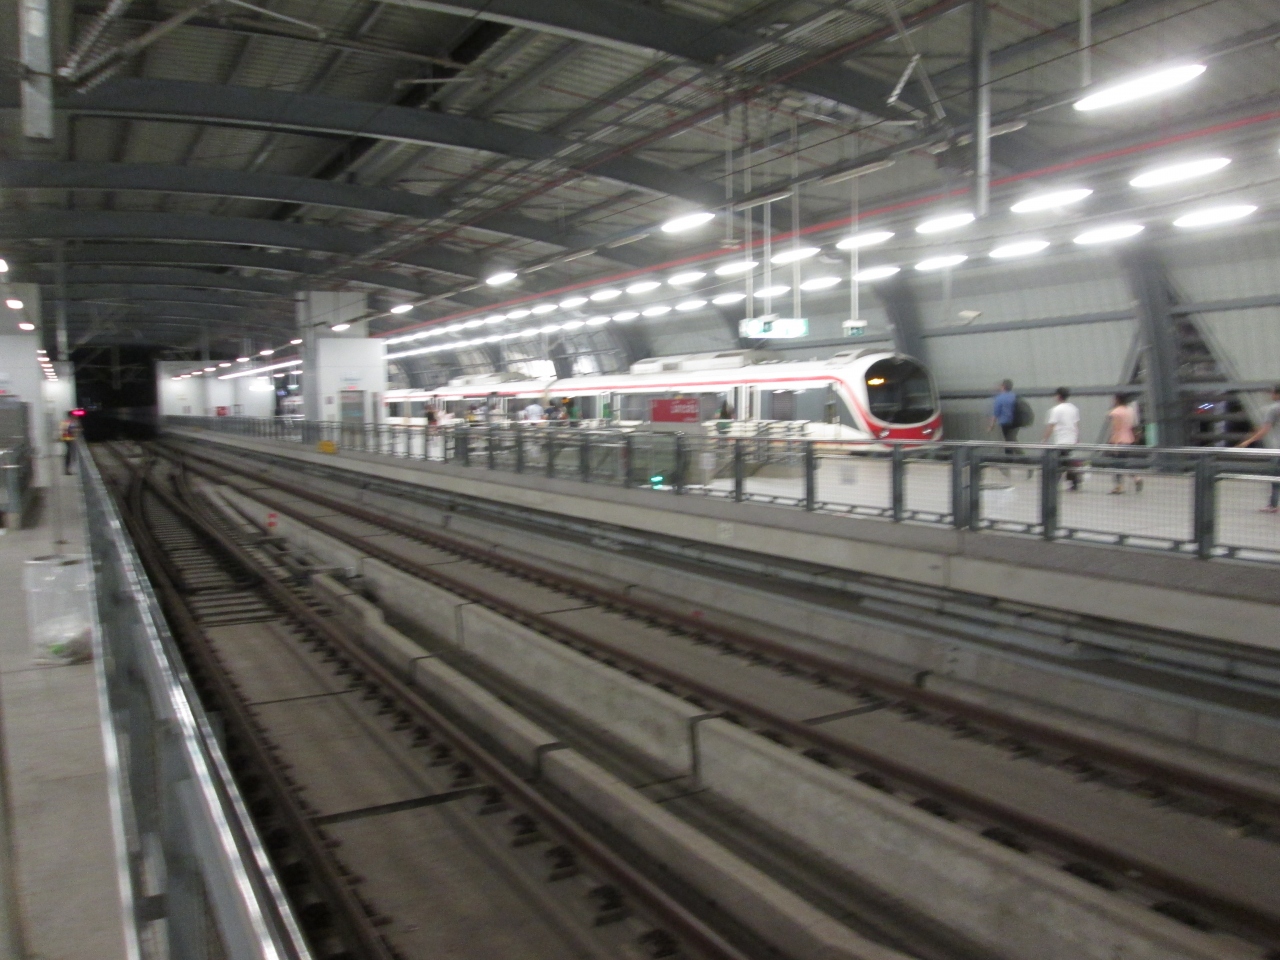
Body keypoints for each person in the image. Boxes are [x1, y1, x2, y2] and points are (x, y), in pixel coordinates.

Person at [1235, 384, 1280, 513]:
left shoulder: (1274, 409)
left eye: (1273, 393)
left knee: (1275, 477)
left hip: (1278, 450)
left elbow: (1264, 430)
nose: (1271, 395)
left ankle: (1272, 505)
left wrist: (1248, 441)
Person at [1043, 387, 1082, 491]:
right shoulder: (1073, 408)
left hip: (1061, 441)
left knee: (1058, 463)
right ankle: (1074, 482)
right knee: (1066, 462)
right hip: (1071, 440)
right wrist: (1077, 438)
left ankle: (1053, 486)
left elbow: (1051, 426)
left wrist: (1044, 439)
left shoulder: (1056, 409)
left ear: (1058, 396)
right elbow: (1076, 425)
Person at [1106, 393, 1142, 494]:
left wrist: (1114, 443)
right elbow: (1133, 425)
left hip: (1119, 441)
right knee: (1124, 462)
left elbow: (1116, 429)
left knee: (1117, 464)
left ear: (1117, 400)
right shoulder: (1130, 410)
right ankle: (1136, 478)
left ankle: (1119, 486)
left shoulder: (1116, 412)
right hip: (1129, 439)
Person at [60, 410, 80, 475]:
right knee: (70, 455)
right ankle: (69, 470)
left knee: (69, 455)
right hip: (69, 440)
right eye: (74, 415)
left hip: (68, 440)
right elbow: (72, 431)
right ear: (71, 415)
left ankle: (68, 469)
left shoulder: (66, 422)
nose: (76, 416)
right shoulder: (70, 422)